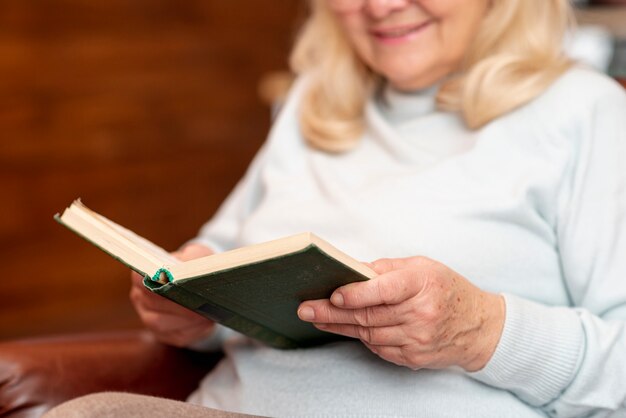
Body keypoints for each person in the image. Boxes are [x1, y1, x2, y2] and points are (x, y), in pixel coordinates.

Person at [44, 0, 626, 417]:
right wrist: (190, 310)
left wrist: (480, 330)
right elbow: (217, 254)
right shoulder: (313, 102)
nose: (382, 6)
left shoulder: (585, 112)